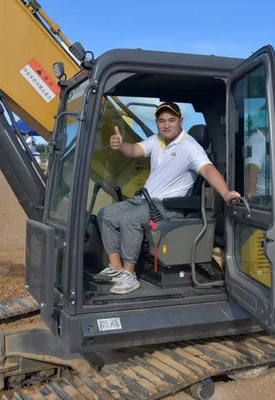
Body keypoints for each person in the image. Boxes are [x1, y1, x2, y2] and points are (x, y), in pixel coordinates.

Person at [95, 102, 241, 295]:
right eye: (162, 121)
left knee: (128, 219)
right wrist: (121, 146)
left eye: (171, 120)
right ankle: (116, 268)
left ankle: (129, 276)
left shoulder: (190, 146)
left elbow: (207, 169)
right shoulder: (156, 140)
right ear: (157, 123)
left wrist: (226, 193)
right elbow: (135, 150)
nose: (166, 125)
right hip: (144, 200)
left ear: (181, 121)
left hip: (167, 206)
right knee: (106, 213)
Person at [244, 127, 270, 203]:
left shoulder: (264, 138)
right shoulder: (258, 140)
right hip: (262, 200)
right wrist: (251, 197)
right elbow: (253, 167)